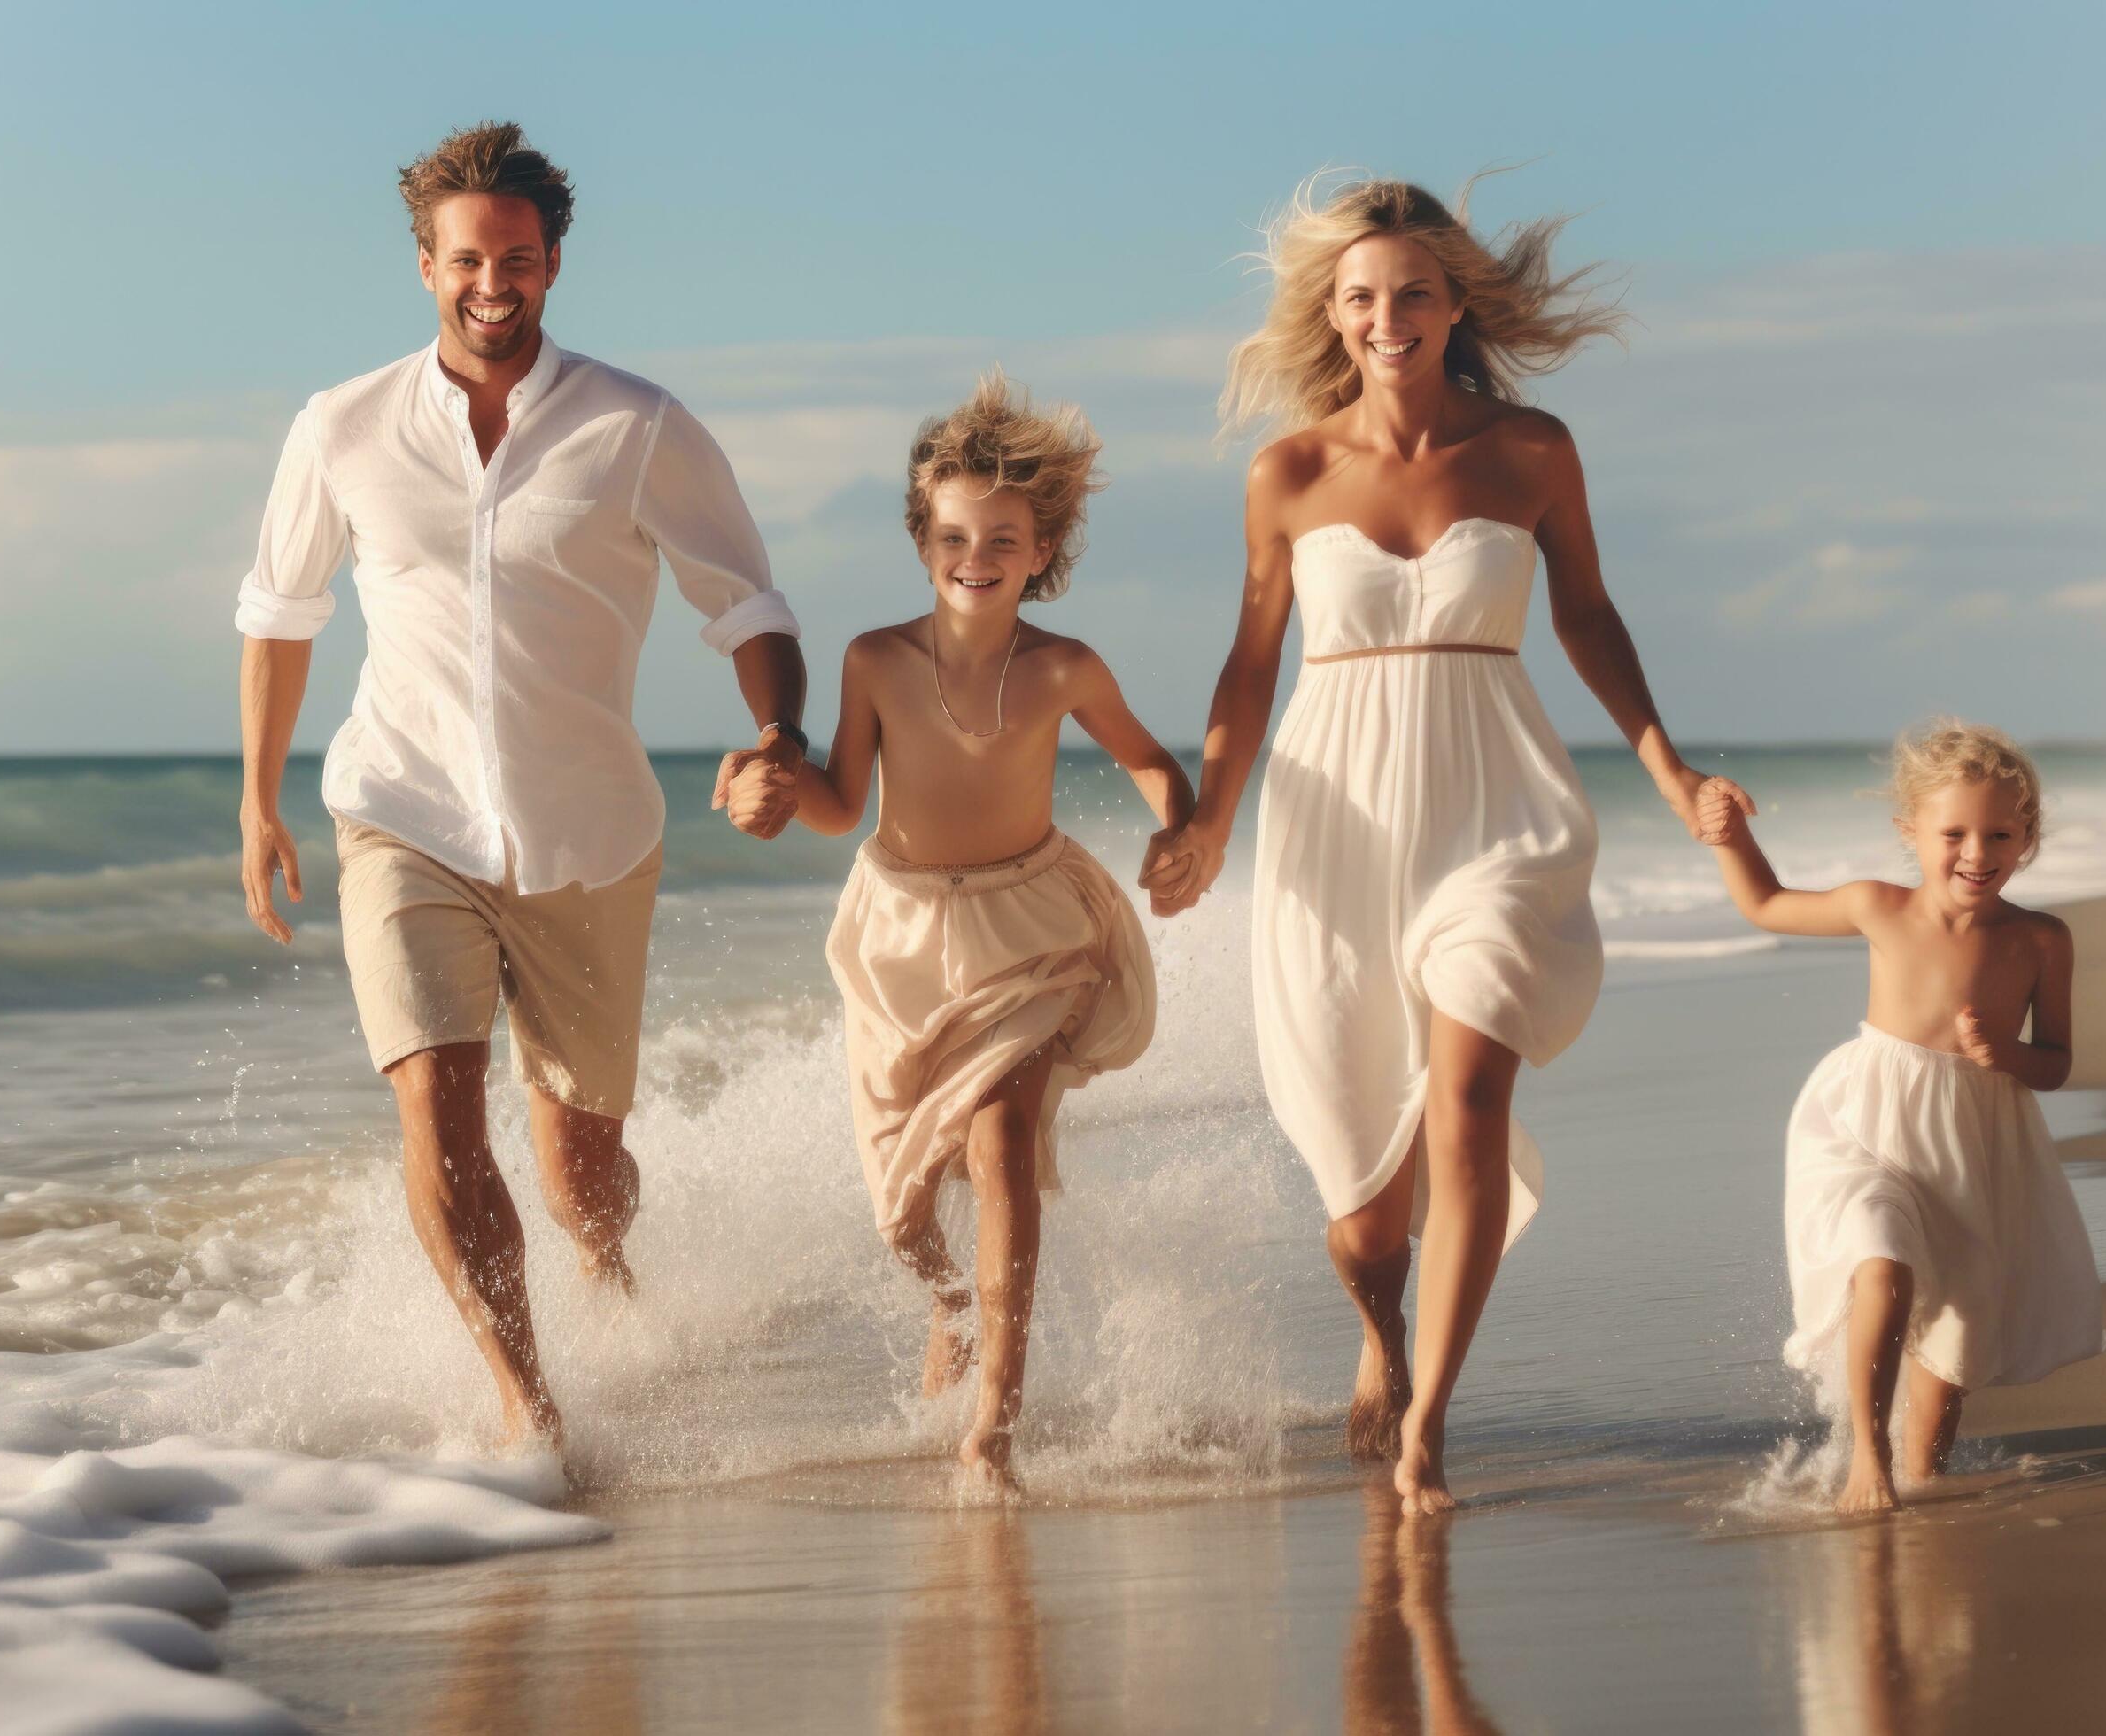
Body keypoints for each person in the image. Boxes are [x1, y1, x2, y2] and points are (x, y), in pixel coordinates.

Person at [1143, 174, 1742, 1515]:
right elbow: (1252, 665)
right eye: (1362, 296)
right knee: (1365, 1223)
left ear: (1455, 300)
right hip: (1334, 823)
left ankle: (1430, 1424)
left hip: (1496, 809)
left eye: (1413, 290)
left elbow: (1590, 618)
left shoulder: (1533, 451)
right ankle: (1382, 1334)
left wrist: (1671, 769)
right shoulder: (1289, 472)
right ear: (1334, 315)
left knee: (1471, 1095)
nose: (1388, 316)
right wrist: (1207, 821)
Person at [233, 122, 809, 1453]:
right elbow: (279, 612)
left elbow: (749, 604)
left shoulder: (638, 426)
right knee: (434, 1097)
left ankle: (614, 1294)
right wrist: (261, 796)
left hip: (588, 835)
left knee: (580, 1170)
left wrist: (777, 732)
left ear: (553, 261)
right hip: (403, 811)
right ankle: (529, 1409)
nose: (493, 283)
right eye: (466, 259)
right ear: (424, 264)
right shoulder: (343, 427)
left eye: (518, 258)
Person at [718, 373, 1191, 1489]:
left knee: (1000, 1138)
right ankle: (951, 1302)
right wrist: (773, 789)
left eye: (1003, 538)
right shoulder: (875, 660)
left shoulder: (1064, 667)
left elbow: (1151, 763)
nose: (974, 555)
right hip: (901, 936)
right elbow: (842, 802)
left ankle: (996, 1417)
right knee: (905, 1210)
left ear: (1042, 550)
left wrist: (1181, 833)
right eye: (953, 534)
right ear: (923, 540)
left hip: (1030, 927)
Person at [1698, 720, 2104, 1514]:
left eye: (2000, 835)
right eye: (1953, 833)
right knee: (1879, 1262)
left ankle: (1918, 1469)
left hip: (1973, 1145)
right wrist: (1728, 834)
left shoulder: (2041, 940)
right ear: (1910, 832)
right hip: (1865, 1126)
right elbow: (1767, 903)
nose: (1976, 854)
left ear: (2029, 840)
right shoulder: (1877, 907)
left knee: (1954, 1321)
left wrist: (2005, 1058)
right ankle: (1867, 1456)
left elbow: (2055, 1061)